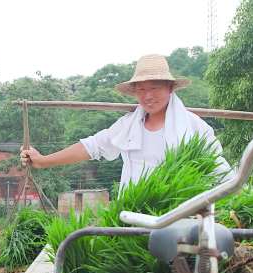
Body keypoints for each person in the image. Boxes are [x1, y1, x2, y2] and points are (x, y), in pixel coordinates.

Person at [20, 54, 232, 191]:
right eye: (141, 89)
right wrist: (43, 161)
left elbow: (220, 171)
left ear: (170, 88)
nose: (148, 96)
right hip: (132, 217)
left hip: (179, 221)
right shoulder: (129, 126)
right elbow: (91, 146)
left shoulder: (193, 128)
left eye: (155, 87)